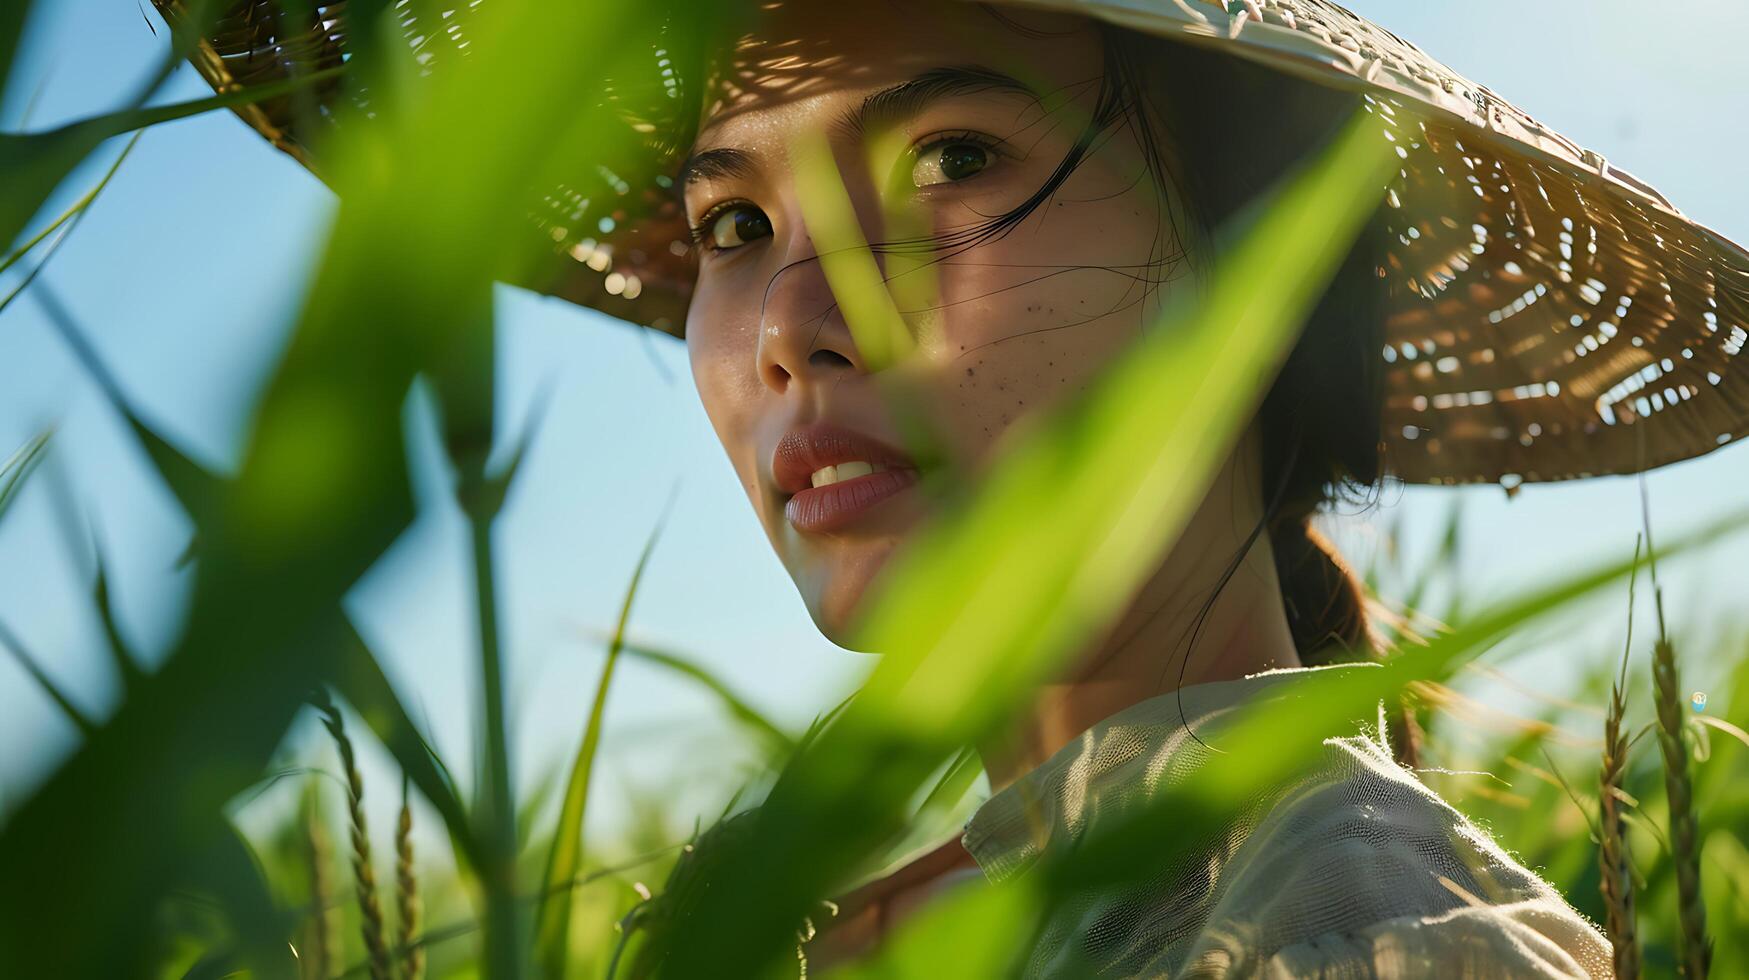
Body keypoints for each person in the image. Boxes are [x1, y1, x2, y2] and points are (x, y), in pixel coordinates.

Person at [159, 0, 1749, 974]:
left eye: (948, 161)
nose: (790, 325)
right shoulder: (894, 904)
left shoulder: (1346, 934)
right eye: (730, 226)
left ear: (1256, 266)